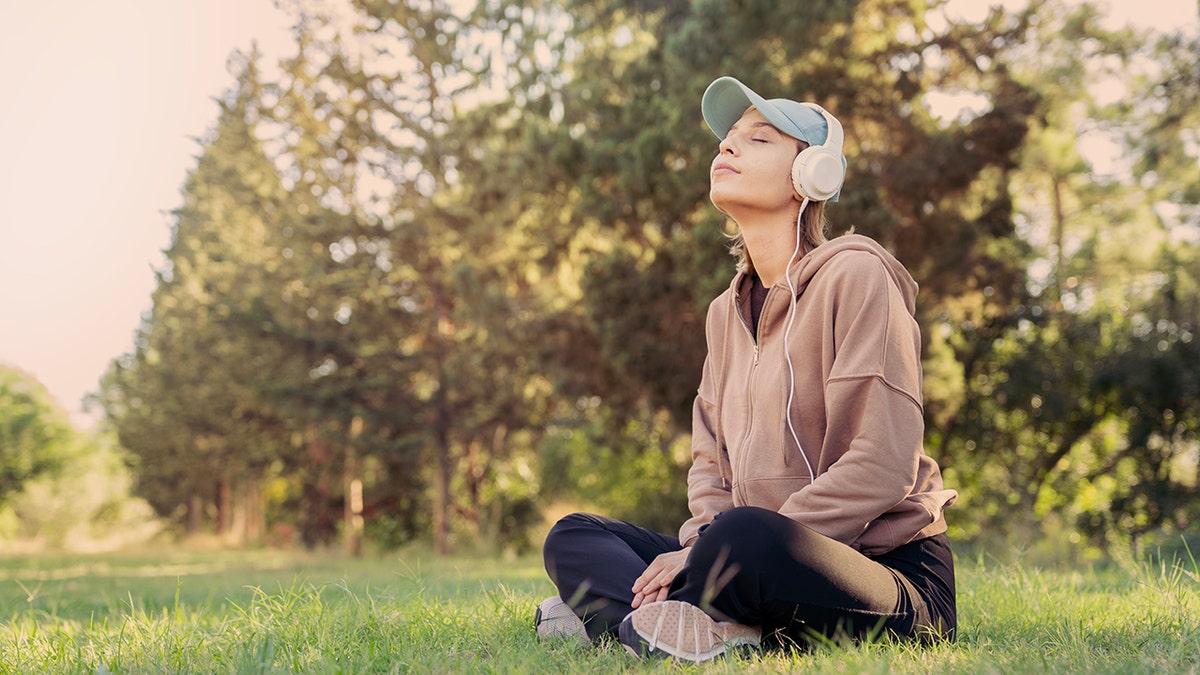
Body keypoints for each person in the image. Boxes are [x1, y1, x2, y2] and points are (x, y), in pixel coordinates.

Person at [534, 76, 959, 663]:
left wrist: (706, 551)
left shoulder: (858, 275)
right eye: (726, 140)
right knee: (576, 535)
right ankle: (693, 626)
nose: (726, 148)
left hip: (881, 575)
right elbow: (709, 467)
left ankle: (624, 618)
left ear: (812, 175)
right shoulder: (723, 314)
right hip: (743, 558)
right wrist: (699, 546)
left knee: (744, 537)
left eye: (757, 139)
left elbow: (882, 465)